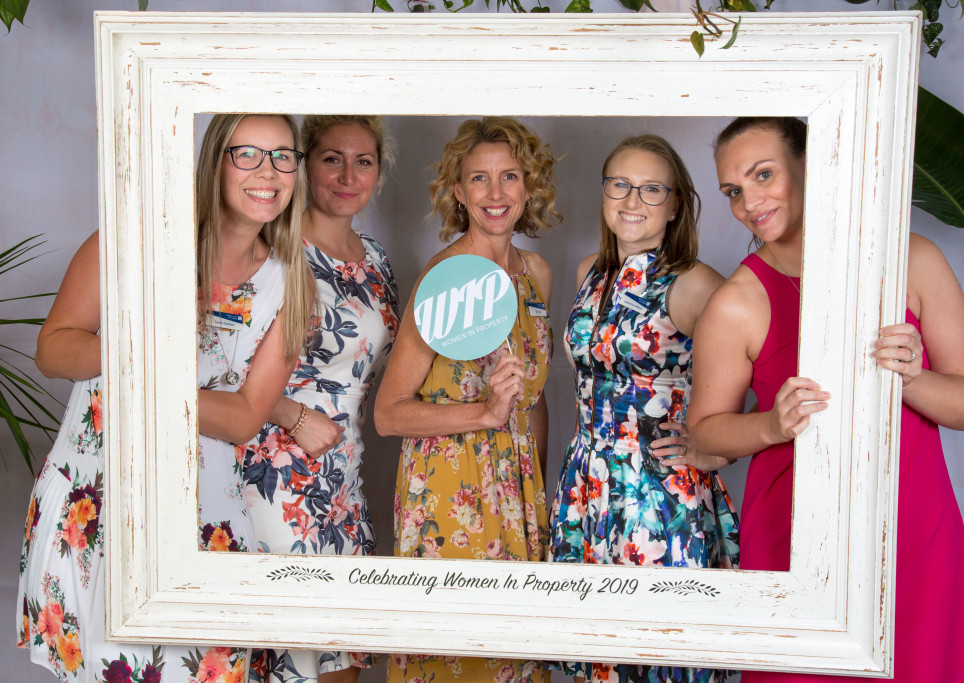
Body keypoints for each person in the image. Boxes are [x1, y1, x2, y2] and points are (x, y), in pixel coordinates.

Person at [687, 116, 964, 681]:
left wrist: (912, 378)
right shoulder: (737, 301)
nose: (749, 203)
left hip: (912, 526)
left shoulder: (912, 260)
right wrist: (770, 426)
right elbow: (706, 429)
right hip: (795, 541)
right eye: (733, 190)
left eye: (763, 175)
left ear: (811, 163)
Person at [17, 113, 313, 682]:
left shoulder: (289, 282)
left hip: (205, 519)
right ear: (214, 162)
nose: (268, 172)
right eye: (247, 154)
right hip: (97, 500)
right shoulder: (133, 238)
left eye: (283, 156)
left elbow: (243, 418)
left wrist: (148, 374)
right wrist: (143, 344)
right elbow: (53, 351)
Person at [546, 134, 739, 683]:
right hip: (587, 482)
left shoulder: (696, 284)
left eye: (652, 189)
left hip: (656, 492)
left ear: (675, 205)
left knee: (655, 655)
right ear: (604, 192)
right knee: (597, 655)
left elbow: (759, 370)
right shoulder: (589, 270)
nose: (633, 200)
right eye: (620, 185)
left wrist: (716, 451)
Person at [375, 116, 560, 683]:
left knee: (514, 655)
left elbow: (533, 400)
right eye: (479, 178)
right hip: (449, 489)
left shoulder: (536, 274)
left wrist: (537, 493)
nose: (495, 192)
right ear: (458, 190)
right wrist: (483, 413)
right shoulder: (446, 279)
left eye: (510, 176)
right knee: (455, 654)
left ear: (529, 186)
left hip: (519, 489)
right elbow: (387, 414)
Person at [243, 115, 400, 683]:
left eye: (363, 162)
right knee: (293, 652)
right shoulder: (272, 246)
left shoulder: (377, 259)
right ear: (305, 164)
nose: (348, 176)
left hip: (345, 474)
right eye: (332, 158)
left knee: (342, 652)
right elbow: (216, 362)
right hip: (275, 469)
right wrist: (291, 414)